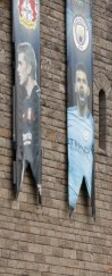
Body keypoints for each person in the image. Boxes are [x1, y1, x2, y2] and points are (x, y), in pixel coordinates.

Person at [16, 42, 41, 203]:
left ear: (30, 68)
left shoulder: (37, 97)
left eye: (20, 64)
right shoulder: (23, 99)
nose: (17, 70)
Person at [67, 64, 94, 215]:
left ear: (89, 89)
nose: (82, 84)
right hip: (69, 198)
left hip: (88, 199)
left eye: (84, 81)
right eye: (79, 81)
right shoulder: (68, 115)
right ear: (75, 87)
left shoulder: (92, 123)